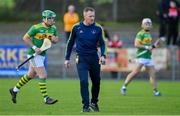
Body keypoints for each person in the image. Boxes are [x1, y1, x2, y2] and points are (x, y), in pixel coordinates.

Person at [9, 10, 59, 105]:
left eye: (53, 18)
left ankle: (14, 90)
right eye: (50, 18)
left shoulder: (53, 28)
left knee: (30, 75)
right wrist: (35, 47)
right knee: (43, 75)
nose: (52, 20)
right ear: (45, 19)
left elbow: (56, 40)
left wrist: (54, 39)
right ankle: (46, 98)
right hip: (34, 55)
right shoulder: (36, 27)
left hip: (42, 55)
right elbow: (25, 38)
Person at [64, 7, 107, 112]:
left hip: (94, 58)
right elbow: (70, 43)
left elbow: (103, 43)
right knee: (84, 81)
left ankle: (94, 102)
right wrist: (67, 58)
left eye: (93, 16)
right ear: (84, 16)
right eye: (90, 16)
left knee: (96, 81)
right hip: (81, 58)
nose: (92, 18)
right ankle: (85, 106)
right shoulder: (76, 27)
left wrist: (103, 55)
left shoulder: (98, 28)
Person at [120, 18, 162, 96]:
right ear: (142, 25)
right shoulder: (140, 33)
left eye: (149, 24)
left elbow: (150, 47)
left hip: (148, 57)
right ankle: (123, 87)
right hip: (141, 57)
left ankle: (155, 91)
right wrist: (147, 47)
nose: (148, 25)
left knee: (153, 75)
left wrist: (155, 45)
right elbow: (136, 44)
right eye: (146, 24)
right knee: (135, 72)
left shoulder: (149, 35)